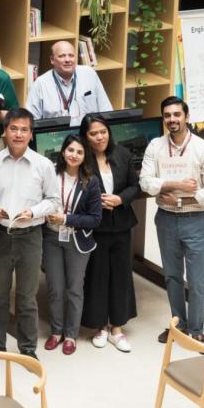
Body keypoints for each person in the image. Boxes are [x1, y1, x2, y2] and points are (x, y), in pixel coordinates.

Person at [0, 108, 60, 364]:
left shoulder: (43, 165)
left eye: (24, 130)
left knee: (26, 297)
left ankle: (27, 348)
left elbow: (53, 200)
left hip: (30, 236)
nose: (19, 134)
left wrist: (33, 212)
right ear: (5, 131)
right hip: (0, 235)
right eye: (14, 129)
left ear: (31, 134)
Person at [140, 97, 204, 345]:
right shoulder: (155, 146)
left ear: (186, 117)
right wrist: (175, 184)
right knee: (172, 276)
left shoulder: (202, 149)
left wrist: (184, 198)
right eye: (167, 115)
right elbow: (146, 182)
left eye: (177, 114)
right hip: (166, 219)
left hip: (195, 219)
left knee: (197, 279)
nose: (172, 119)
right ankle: (179, 325)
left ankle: (196, 330)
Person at [79, 114, 139, 352]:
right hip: (96, 227)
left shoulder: (122, 154)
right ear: (86, 136)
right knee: (98, 276)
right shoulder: (82, 159)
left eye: (103, 131)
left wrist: (120, 199)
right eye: (93, 133)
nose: (99, 137)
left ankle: (117, 328)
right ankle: (100, 327)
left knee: (121, 276)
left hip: (122, 224)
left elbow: (135, 186)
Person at [42, 134, 102, 355]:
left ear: (85, 156)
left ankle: (70, 335)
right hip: (51, 238)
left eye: (79, 152)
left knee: (74, 288)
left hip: (77, 239)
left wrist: (66, 219)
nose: (74, 155)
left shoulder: (91, 181)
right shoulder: (51, 175)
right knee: (55, 288)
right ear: (63, 152)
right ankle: (56, 331)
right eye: (70, 150)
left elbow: (95, 219)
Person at [26, 40, 112, 127]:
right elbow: (31, 121)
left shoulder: (89, 74)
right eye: (62, 56)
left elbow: (106, 109)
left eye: (71, 55)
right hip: (56, 133)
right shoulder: (40, 84)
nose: (67, 60)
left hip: (87, 132)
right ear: (52, 60)